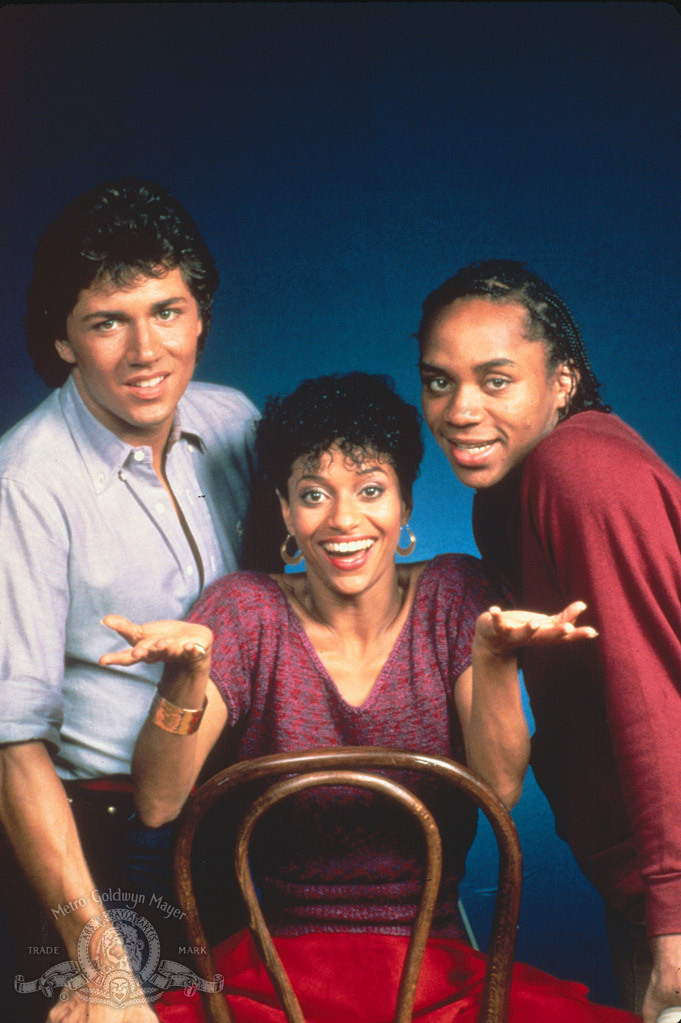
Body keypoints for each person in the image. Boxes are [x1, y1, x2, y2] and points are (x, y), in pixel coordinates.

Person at [102, 372, 637, 1022]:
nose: (343, 519)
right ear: (285, 509)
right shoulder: (244, 609)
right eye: (312, 494)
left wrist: (493, 661)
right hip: (269, 977)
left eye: (370, 489)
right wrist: (183, 680)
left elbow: (498, 787)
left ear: (405, 503)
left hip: (435, 976)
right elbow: (158, 803)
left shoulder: (454, 594)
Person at [0, 178, 278, 1023]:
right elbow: (10, 747)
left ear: (199, 316)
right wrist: (101, 959)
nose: (144, 349)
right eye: (107, 321)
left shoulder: (236, 424)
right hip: (103, 846)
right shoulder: (26, 481)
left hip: (244, 823)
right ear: (63, 338)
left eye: (166, 310)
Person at [416, 259, 681, 1023]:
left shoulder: (580, 469)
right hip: (645, 883)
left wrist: (671, 916)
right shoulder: (504, 499)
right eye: (439, 381)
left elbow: (653, 694)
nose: (460, 409)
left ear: (560, 381)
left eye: (495, 380)